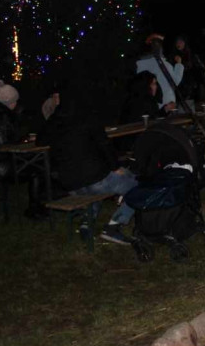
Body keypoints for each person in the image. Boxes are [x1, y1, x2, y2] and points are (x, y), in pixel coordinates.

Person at [39, 88, 139, 245]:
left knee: (103, 181)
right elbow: (104, 145)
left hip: (69, 183)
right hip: (93, 179)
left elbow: (40, 140)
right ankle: (114, 226)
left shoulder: (56, 120)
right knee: (137, 185)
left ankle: (87, 222)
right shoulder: (88, 117)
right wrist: (115, 167)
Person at [0, 81, 48, 220]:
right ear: (9, 102)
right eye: (15, 101)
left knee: (35, 164)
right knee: (37, 170)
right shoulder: (0, 117)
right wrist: (25, 143)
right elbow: (6, 147)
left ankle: (38, 205)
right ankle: (34, 208)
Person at [135, 33, 185, 112]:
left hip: (152, 106)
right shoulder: (164, 65)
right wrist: (179, 64)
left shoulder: (140, 64)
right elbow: (175, 81)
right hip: (165, 104)